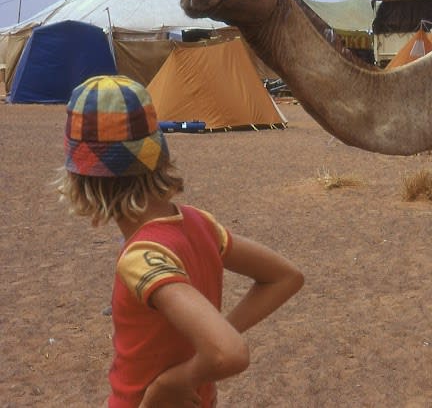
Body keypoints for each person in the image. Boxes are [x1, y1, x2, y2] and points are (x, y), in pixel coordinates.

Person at [57, 75, 304, 407]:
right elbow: (286, 277)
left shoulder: (142, 257)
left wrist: (175, 381)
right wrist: (210, 343)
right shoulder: (200, 224)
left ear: (82, 180)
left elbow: (229, 351)